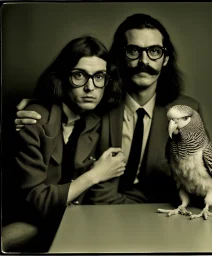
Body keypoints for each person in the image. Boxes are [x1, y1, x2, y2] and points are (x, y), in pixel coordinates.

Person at [14, 14, 203, 205]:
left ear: (165, 59)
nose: (144, 61)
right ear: (120, 58)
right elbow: (68, 99)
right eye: (133, 50)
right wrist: (42, 103)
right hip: (102, 208)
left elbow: (201, 173)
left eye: (154, 51)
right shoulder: (97, 104)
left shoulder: (186, 111)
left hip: (162, 209)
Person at [3, 36, 126, 252]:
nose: (90, 87)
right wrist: (95, 175)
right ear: (62, 77)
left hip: (74, 224)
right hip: (25, 221)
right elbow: (37, 202)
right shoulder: (33, 120)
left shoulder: (95, 120)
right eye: (79, 75)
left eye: (99, 77)